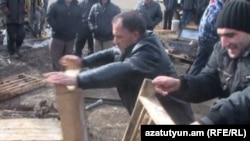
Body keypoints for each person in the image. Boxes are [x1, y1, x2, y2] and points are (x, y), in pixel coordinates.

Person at [44, 10, 194, 124]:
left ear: (135, 35)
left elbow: (122, 70)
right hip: (152, 114)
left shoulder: (149, 53)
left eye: (118, 37)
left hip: (172, 119)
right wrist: (82, 62)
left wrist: (78, 80)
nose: (114, 41)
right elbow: (111, 52)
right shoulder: (138, 41)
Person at [152, 0, 250, 125]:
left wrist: (213, 119)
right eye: (220, 36)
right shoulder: (221, 49)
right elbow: (209, 80)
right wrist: (181, 85)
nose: (224, 43)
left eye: (230, 35)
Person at [188, 0, 229, 75]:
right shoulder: (218, 7)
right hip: (210, 39)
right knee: (217, 60)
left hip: (202, 36)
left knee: (199, 61)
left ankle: (190, 79)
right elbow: (211, 22)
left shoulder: (213, 5)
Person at [46, 0, 81, 71]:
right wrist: (57, 27)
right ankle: (57, 78)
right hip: (57, 38)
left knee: (67, 61)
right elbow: (49, 18)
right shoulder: (55, 5)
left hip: (70, 39)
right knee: (56, 62)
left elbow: (80, 19)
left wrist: (76, 29)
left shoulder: (77, 6)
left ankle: (65, 77)